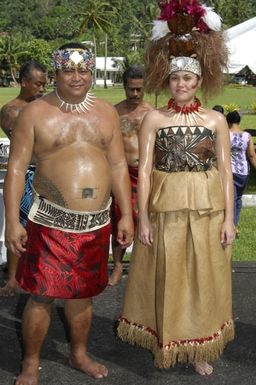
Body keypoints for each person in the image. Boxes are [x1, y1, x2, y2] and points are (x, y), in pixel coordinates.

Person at [4, 42, 134, 384]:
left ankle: (78, 355)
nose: (76, 77)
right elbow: (16, 169)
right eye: (68, 70)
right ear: (55, 73)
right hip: (50, 222)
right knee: (42, 295)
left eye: (83, 70)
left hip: (96, 223)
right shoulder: (34, 113)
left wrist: (127, 214)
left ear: (91, 72)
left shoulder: (107, 113)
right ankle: (31, 362)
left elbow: (119, 164)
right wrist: (11, 223)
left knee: (83, 295)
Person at [117, 0, 235, 376]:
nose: (181, 84)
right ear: (166, 80)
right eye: (175, 78)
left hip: (207, 210)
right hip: (164, 212)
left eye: (188, 78)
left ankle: (200, 347)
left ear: (200, 81)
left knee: (203, 279)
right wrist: (143, 218)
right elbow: (147, 171)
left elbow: (226, 173)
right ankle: (163, 339)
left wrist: (229, 219)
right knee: (165, 278)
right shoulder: (153, 119)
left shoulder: (216, 120)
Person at [0, 60, 47, 296]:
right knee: (18, 225)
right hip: (25, 175)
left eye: (44, 85)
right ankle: (12, 280)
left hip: (47, 174)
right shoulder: (11, 110)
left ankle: (42, 273)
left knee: (46, 227)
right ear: (24, 83)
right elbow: (26, 147)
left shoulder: (47, 108)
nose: (41, 89)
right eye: (37, 84)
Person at [109, 65, 154, 286]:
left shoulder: (152, 113)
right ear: (124, 87)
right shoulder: (114, 112)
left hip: (145, 173)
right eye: (131, 89)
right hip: (122, 173)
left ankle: (141, 266)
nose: (135, 94)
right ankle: (118, 265)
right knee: (120, 217)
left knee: (146, 217)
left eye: (139, 89)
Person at [226, 110, 256, 235]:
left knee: (230, 200)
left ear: (227, 121)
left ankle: (231, 225)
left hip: (229, 171)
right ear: (239, 121)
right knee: (238, 199)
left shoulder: (225, 134)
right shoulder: (247, 136)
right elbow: (251, 155)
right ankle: (234, 224)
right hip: (243, 172)